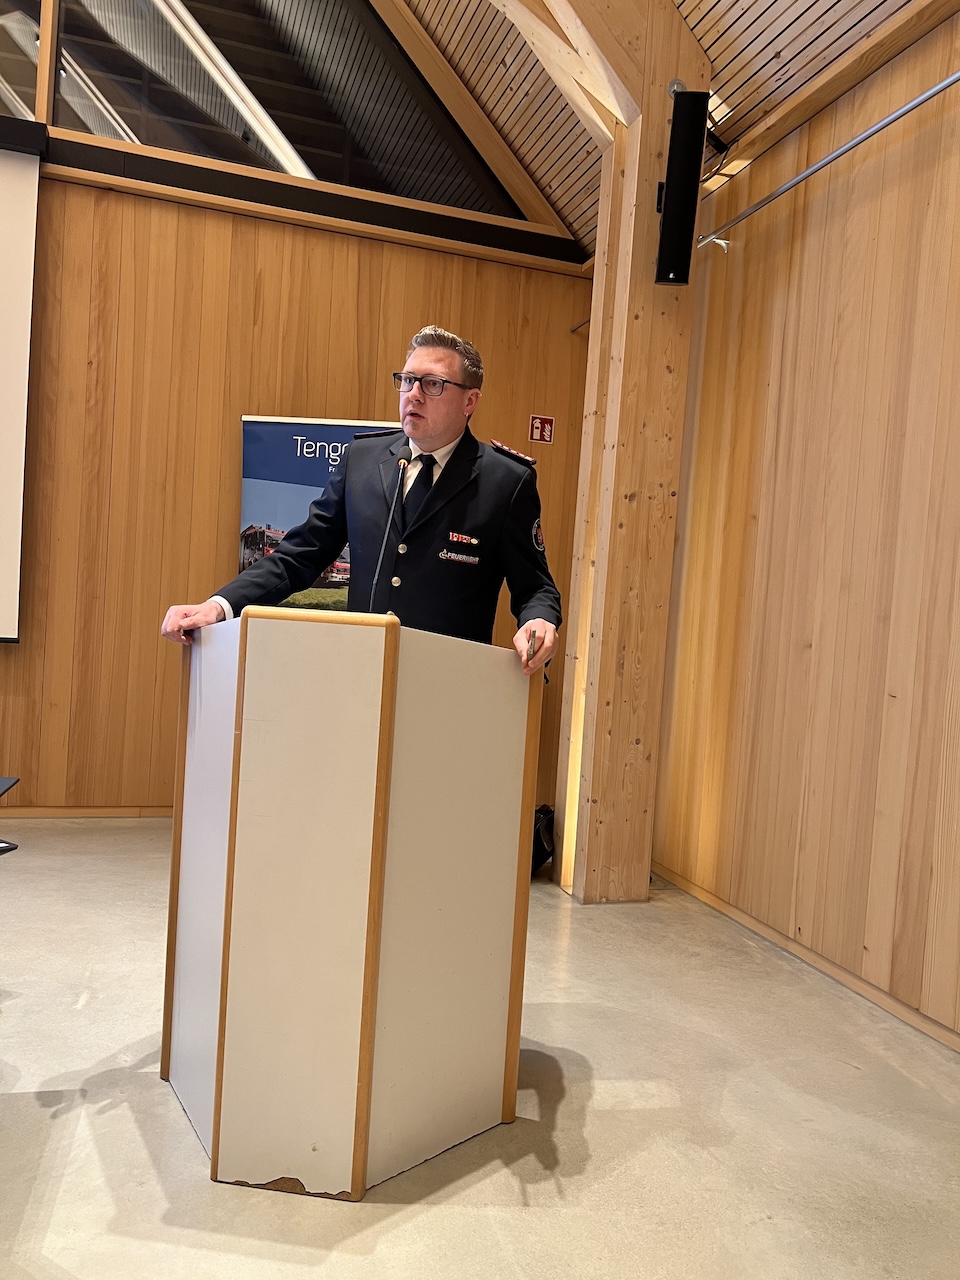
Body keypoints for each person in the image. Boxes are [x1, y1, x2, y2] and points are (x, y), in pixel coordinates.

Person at [161, 325, 560, 674]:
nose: (414, 394)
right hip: (358, 678)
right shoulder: (363, 461)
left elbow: (536, 587)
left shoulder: (505, 481)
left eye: (433, 384)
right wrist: (219, 606)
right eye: (407, 380)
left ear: (469, 401)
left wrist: (539, 621)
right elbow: (300, 555)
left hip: (448, 685)